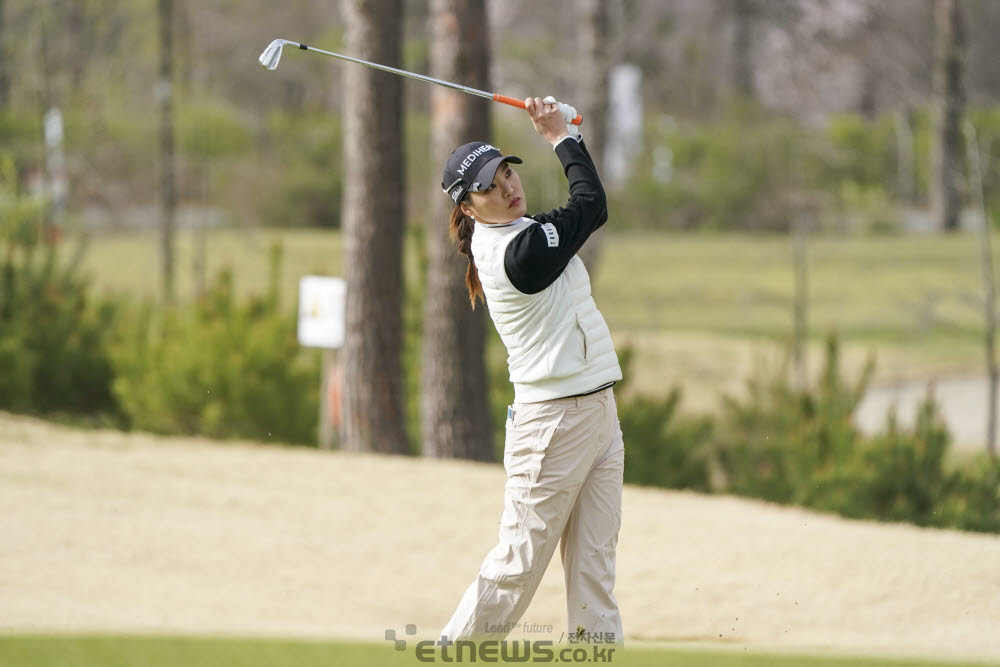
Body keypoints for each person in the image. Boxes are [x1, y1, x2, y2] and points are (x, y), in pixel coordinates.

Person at [438, 96, 624, 646]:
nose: (508, 188)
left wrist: (564, 134)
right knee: (518, 565)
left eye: (507, 172)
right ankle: (454, 654)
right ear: (468, 209)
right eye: (490, 187)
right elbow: (591, 204)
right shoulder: (517, 254)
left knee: (595, 570)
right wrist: (559, 135)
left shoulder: (526, 229)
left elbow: (586, 208)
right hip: (554, 425)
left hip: (597, 414)